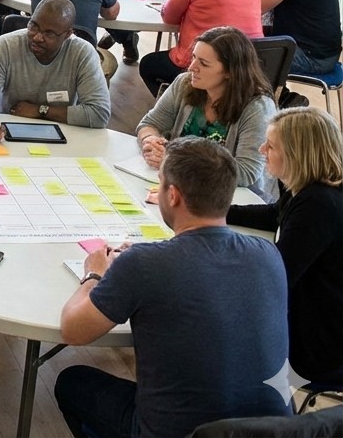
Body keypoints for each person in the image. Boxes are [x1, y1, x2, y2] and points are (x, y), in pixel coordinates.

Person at [55, 137, 291, 438]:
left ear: (173, 196)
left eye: (161, 182)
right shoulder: (267, 253)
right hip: (272, 432)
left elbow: (72, 330)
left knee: (72, 381)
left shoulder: (142, 264)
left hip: (182, 433)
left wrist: (96, 274)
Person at [227, 107, 343, 385]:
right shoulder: (307, 187)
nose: (261, 148)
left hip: (319, 344)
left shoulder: (318, 204)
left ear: (296, 155)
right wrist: (213, 210)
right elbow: (275, 215)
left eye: (271, 145)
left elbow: (276, 276)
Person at [137, 26, 275, 192]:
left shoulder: (257, 108)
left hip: (234, 199)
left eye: (203, 63)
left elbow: (246, 173)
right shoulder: (185, 83)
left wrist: (174, 163)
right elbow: (150, 123)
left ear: (230, 72)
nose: (191, 67)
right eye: (194, 57)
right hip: (185, 187)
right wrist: (151, 140)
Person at [0, 0, 111, 144]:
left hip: (64, 135)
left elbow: (99, 113)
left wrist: (40, 111)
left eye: (49, 33)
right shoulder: (6, 45)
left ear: (67, 34)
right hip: (8, 132)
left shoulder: (82, 53)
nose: (37, 37)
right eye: (33, 26)